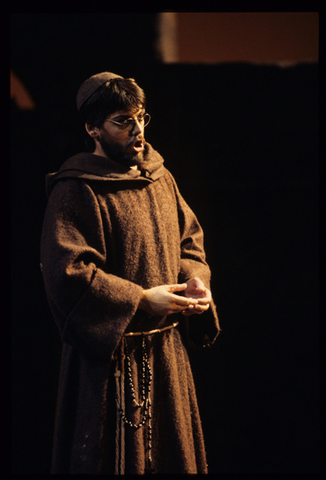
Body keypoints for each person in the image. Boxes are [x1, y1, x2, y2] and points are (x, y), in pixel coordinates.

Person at [40, 71, 220, 474]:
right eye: (123, 121)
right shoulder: (76, 190)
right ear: (93, 129)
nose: (138, 130)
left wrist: (196, 280)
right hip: (107, 364)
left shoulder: (160, 178)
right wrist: (140, 299)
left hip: (165, 356)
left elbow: (190, 241)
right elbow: (67, 273)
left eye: (141, 117)